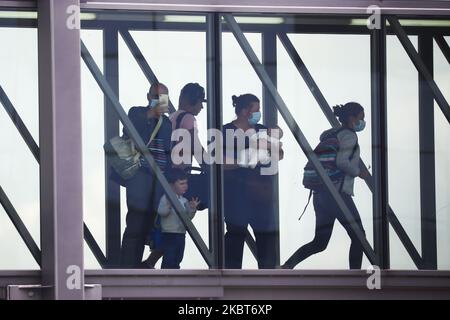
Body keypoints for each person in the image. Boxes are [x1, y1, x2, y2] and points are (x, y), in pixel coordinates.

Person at [281, 102, 370, 270]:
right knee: (359, 236)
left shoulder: (331, 133)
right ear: (352, 118)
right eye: (361, 118)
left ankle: (287, 266)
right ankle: (355, 278)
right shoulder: (349, 135)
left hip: (320, 194)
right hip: (336, 194)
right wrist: (360, 172)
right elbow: (342, 162)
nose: (362, 122)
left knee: (320, 242)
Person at [223, 94, 283, 269]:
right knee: (235, 236)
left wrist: (269, 150)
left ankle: (268, 283)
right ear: (244, 111)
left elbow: (280, 154)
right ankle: (231, 280)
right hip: (236, 195)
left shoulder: (262, 130)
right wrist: (245, 159)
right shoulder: (226, 131)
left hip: (262, 195)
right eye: (256, 110)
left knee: (267, 239)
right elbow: (219, 163)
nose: (259, 114)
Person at [120, 82, 173, 269]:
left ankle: (141, 266)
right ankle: (127, 267)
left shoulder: (167, 123)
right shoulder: (136, 113)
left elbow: (170, 151)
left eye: (164, 97)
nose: (161, 101)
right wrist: (152, 113)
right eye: (157, 97)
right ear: (149, 97)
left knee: (152, 222)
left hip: (160, 179)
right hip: (140, 176)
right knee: (136, 221)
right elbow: (129, 131)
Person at [169, 83, 209, 209]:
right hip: (180, 175)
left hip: (170, 174)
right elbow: (195, 146)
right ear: (191, 100)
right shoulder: (189, 118)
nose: (202, 107)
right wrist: (209, 167)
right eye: (200, 102)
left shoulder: (172, 117)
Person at [157, 168, 199, 269]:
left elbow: (188, 218)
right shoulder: (166, 198)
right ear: (171, 185)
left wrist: (193, 209)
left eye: (186, 183)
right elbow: (161, 212)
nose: (185, 186)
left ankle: (175, 271)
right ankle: (167, 275)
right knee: (169, 257)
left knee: (178, 256)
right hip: (169, 234)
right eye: (181, 183)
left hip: (181, 234)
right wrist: (169, 205)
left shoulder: (184, 200)